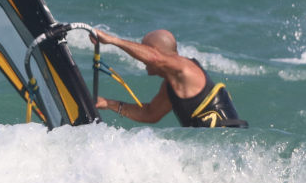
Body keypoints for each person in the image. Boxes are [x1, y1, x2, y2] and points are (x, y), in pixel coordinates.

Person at [90, 28, 248, 128]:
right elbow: (150, 114)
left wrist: (112, 40)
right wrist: (108, 103)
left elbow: (154, 58)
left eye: (143, 49)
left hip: (228, 147)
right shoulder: (171, 86)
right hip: (214, 150)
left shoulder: (185, 68)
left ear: (154, 51)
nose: (141, 59)